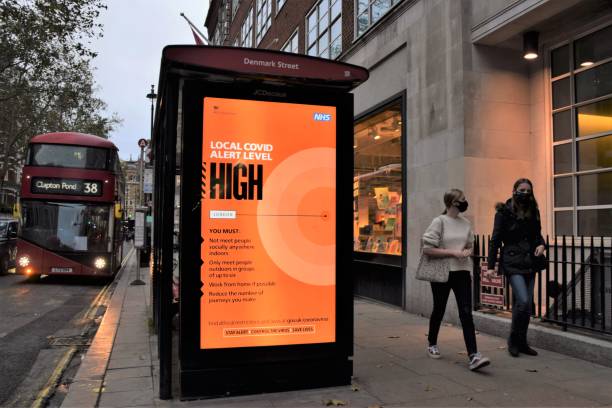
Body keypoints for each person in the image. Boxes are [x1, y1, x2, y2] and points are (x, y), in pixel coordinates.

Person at [422, 189, 491, 371]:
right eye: (462, 200)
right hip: (443, 272)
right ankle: (432, 342)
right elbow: (427, 249)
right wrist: (452, 252)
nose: (465, 202)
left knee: (466, 312)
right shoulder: (439, 221)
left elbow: (470, 245)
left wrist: (468, 251)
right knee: (439, 308)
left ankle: (474, 355)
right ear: (452, 202)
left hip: (462, 272)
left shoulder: (466, 223)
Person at [486, 178, 546, 357]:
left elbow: (538, 235)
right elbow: (495, 240)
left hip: (530, 261)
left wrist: (542, 245)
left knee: (525, 306)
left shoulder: (533, 210)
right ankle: (513, 339)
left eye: (528, 191)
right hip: (512, 261)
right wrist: (490, 266)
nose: (525, 193)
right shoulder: (503, 212)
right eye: (522, 190)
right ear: (514, 190)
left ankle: (522, 342)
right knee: (524, 300)